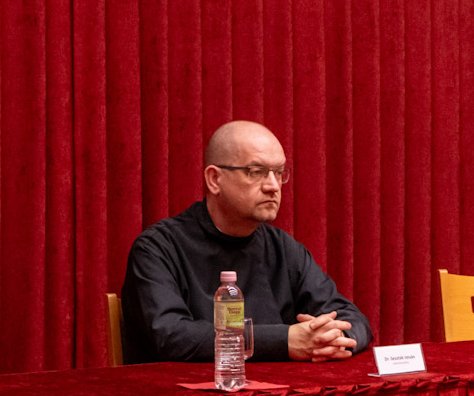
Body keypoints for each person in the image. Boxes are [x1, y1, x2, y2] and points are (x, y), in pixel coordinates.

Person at [120, 120, 372, 363]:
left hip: (278, 390)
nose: (273, 186)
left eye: (279, 173)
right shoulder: (158, 248)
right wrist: (286, 340)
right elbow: (171, 336)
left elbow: (352, 318)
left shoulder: (283, 249)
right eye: (256, 172)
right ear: (214, 179)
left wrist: (335, 339)